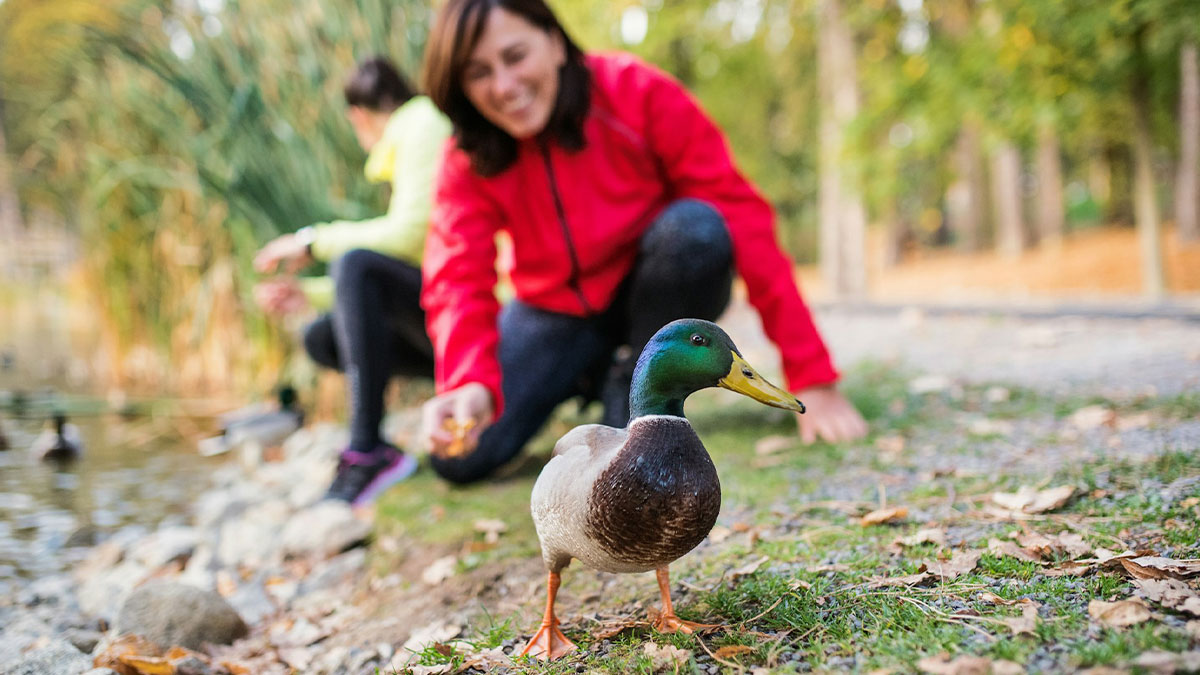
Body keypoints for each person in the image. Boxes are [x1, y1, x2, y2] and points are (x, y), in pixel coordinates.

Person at [417, 0, 868, 484]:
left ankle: (630, 382)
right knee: (459, 459)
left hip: (656, 292)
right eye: (479, 72)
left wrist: (813, 377)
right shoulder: (466, 155)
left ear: (553, 41)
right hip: (555, 313)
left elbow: (744, 220)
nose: (504, 86)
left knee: (697, 228)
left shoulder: (637, 92)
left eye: (515, 56)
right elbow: (458, 275)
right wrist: (467, 381)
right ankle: (592, 375)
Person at [254, 57, 452, 506]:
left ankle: (366, 451)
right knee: (321, 337)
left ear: (357, 116)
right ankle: (373, 450)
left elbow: (410, 233)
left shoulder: (422, 124)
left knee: (355, 264)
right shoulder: (417, 130)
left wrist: (312, 241)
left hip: (487, 316)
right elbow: (424, 262)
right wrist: (308, 292)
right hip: (443, 308)